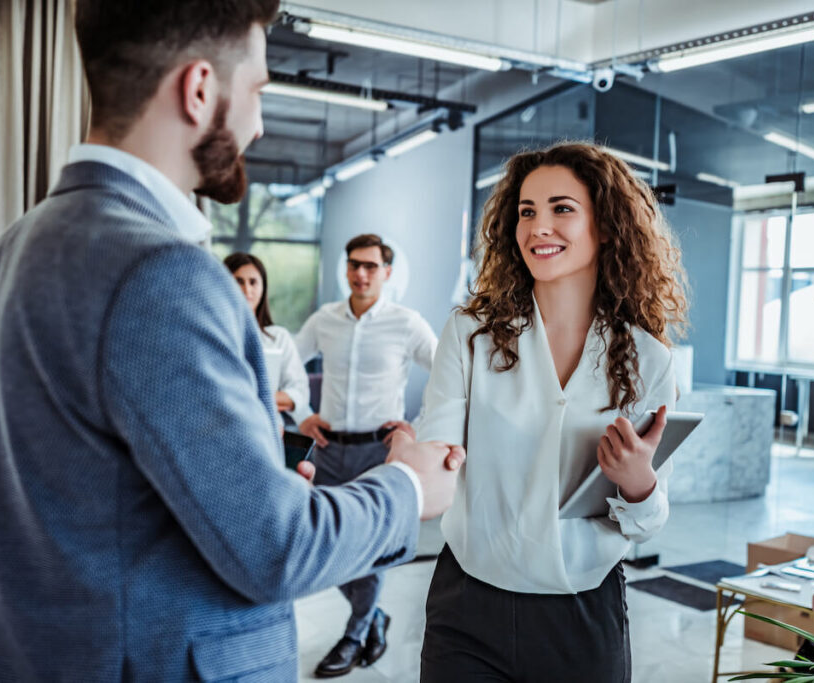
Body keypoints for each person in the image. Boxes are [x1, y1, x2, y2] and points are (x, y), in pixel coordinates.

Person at [0, 2, 464, 680]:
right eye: (257, 90)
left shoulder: (2, 256)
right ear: (198, 90)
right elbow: (277, 548)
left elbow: (80, 492)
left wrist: (246, 474)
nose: (258, 122)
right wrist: (408, 486)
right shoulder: (162, 275)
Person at [415, 142, 689, 682]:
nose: (539, 226)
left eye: (562, 208)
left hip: (582, 613)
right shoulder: (470, 336)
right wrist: (410, 474)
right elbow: (436, 459)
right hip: (468, 604)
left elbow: (647, 522)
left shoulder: (648, 358)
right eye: (526, 211)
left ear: (606, 226)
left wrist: (638, 484)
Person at [295, 233, 439, 677]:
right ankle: (374, 617)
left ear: (387, 273)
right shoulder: (324, 320)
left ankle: (355, 635)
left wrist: (418, 426)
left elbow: (447, 374)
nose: (361, 274)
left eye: (371, 266)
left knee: (370, 550)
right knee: (324, 544)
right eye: (354, 264)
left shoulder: (406, 322)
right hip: (328, 451)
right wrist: (302, 413)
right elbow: (286, 367)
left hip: (376, 452)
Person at [224, 252, 311, 425]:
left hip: (267, 432)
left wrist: (254, 398)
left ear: (263, 288)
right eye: (238, 281)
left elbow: (299, 393)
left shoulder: (279, 337)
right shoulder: (213, 336)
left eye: (253, 282)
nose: (247, 290)